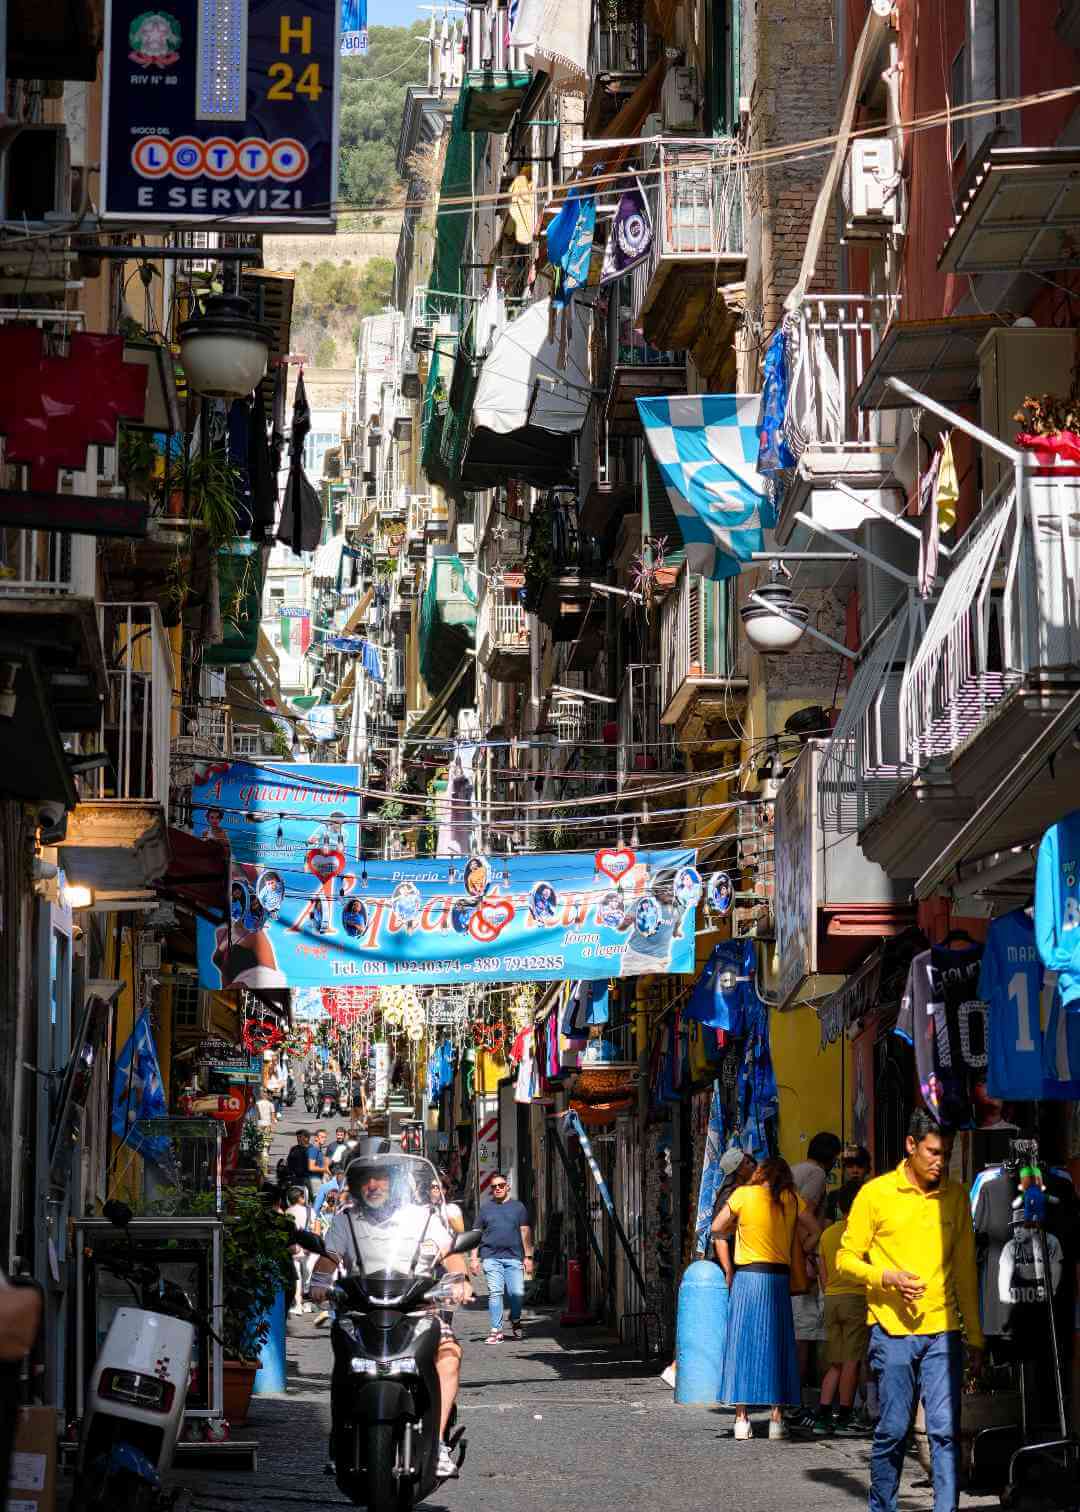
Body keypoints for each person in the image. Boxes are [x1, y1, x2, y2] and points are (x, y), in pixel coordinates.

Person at [837, 1110, 983, 1512]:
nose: (941, 1161)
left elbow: (967, 1272)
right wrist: (888, 1278)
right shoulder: (875, 1194)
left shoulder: (955, 1196)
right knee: (894, 1430)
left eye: (947, 1154)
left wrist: (975, 1337)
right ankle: (882, 1506)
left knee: (945, 1432)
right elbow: (845, 1259)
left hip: (944, 1331)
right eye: (934, 1152)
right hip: (891, 1329)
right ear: (911, 1145)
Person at [311, 1149, 473, 1481]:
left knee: (449, 1357)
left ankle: (439, 1443)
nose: (373, 1185)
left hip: (419, 1310)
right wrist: (319, 1281)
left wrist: (459, 1280)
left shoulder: (423, 1218)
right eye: (366, 1180)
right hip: (359, 1312)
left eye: (382, 1178)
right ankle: (339, 1441)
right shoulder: (345, 1220)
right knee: (344, 1362)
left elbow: (451, 1255)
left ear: (395, 1182)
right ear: (356, 1186)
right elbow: (328, 1258)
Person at [713, 1156, 820, 1441]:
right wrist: (801, 1247)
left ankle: (741, 1420)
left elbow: (716, 1227)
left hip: (748, 1278)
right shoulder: (792, 1198)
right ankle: (776, 1418)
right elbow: (815, 1229)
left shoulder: (743, 1195)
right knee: (779, 1346)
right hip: (779, 1278)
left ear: (759, 1173)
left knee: (742, 1344)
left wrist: (735, 1240)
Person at [789, 1131, 844, 1427]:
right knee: (805, 1336)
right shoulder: (816, 1175)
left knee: (800, 1334)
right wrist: (809, 1250)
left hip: (790, 1259)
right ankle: (798, 1403)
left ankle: (794, 1399)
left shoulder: (797, 1169)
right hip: (803, 1260)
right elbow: (804, 1214)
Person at [812, 1187, 868, 1435]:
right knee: (852, 1361)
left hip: (832, 1298)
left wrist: (829, 1292)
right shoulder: (864, 1234)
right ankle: (845, 1417)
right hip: (855, 1299)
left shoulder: (827, 1234)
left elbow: (822, 1274)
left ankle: (823, 1416)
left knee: (835, 1362)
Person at [469, 1173, 533, 1343]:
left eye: (501, 1185)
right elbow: (476, 1234)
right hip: (491, 1257)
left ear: (507, 1187)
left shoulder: (518, 1208)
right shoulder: (485, 1209)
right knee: (495, 1293)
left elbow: (525, 1231)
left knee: (516, 1294)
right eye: (494, 1187)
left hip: (514, 1258)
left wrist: (528, 1257)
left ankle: (516, 1321)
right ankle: (496, 1330)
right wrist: (474, 1258)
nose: (497, 1188)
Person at [286, 1185, 317, 1315]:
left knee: (297, 1278)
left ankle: (298, 1304)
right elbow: (316, 1231)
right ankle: (308, 1304)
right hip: (308, 1250)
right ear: (300, 1198)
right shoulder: (310, 1211)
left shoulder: (287, 1212)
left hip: (295, 1250)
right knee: (308, 1278)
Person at [826, 1145, 872, 1222]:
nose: (855, 1171)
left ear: (867, 1169)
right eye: (850, 1166)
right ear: (844, 1169)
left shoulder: (875, 1195)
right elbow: (828, 1227)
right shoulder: (834, 1196)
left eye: (860, 1166)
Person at [307, 1129, 330, 1200]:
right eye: (322, 1137)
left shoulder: (318, 1149)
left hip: (319, 1178)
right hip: (314, 1180)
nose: (324, 1139)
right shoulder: (313, 1149)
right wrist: (324, 1169)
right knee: (318, 1202)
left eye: (325, 1137)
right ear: (316, 1138)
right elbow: (311, 1167)